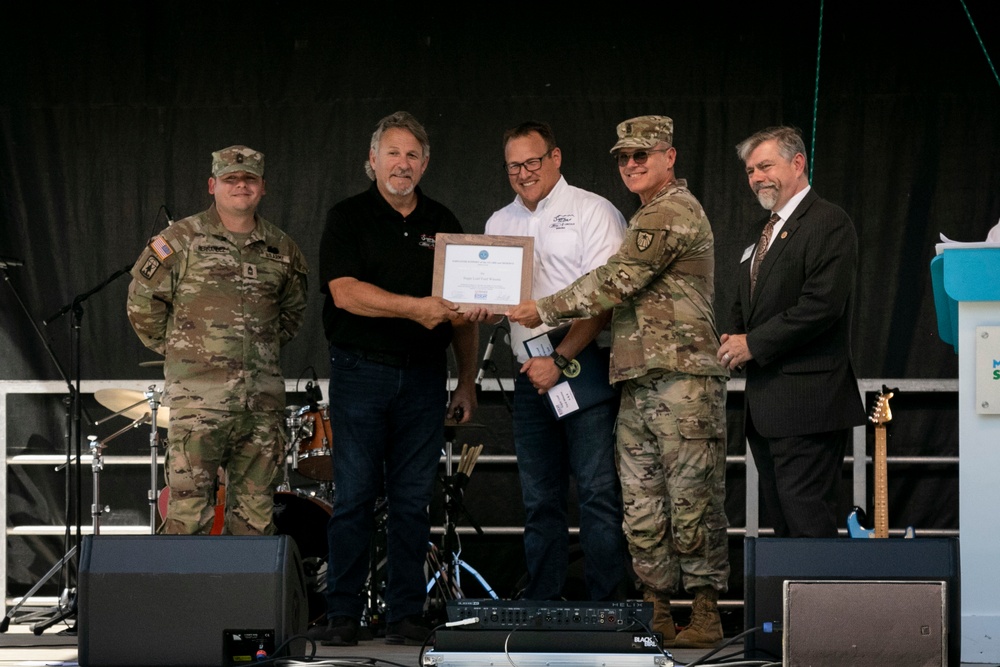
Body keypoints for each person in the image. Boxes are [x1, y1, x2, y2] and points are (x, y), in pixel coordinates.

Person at [507, 116, 730, 648]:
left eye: (642, 155)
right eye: (624, 158)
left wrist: (543, 308)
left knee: (692, 502)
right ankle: (652, 611)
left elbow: (615, 279)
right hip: (637, 381)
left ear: (669, 157)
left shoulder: (673, 211)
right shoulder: (643, 215)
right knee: (643, 504)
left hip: (683, 385)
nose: (631, 165)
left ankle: (703, 615)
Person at [311, 111, 478, 647]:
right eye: (392, 153)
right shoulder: (348, 217)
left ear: (424, 164)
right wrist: (415, 309)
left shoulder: (444, 221)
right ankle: (343, 613)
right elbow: (345, 292)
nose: (401, 164)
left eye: (412, 155)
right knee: (355, 497)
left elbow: (460, 313)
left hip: (426, 378)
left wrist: (467, 381)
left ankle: (405, 613)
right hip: (361, 373)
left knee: (412, 500)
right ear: (372, 160)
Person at [126, 145, 308, 536]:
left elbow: (291, 316)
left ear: (263, 187)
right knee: (188, 517)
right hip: (198, 405)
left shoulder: (282, 249)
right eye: (230, 178)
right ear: (213, 185)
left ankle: (245, 599)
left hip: (260, 406)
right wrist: (185, 352)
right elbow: (142, 305)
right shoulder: (179, 240)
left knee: (256, 522)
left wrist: (255, 352)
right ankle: (182, 599)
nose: (240, 185)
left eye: (249, 179)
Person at [484, 121, 628, 601]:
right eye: (514, 166)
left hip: (580, 362)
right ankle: (543, 602)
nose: (524, 173)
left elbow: (605, 301)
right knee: (539, 498)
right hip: (528, 369)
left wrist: (561, 358)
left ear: (555, 157)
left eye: (532, 162)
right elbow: (496, 299)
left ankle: (606, 605)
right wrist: (480, 306)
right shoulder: (497, 224)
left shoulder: (593, 210)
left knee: (596, 493)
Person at [717, 126, 866, 539]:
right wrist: (730, 338)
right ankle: (786, 606)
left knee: (808, 526)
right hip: (767, 411)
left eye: (765, 166)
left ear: (797, 163)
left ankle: (825, 607)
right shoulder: (761, 232)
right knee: (784, 530)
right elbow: (747, 302)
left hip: (809, 407)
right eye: (750, 171)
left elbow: (821, 307)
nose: (756, 178)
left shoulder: (828, 222)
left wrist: (752, 343)